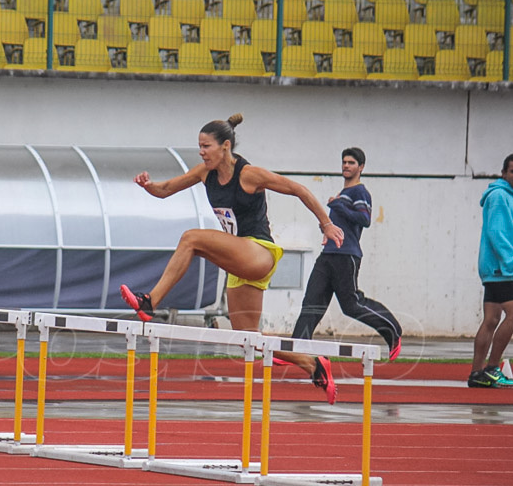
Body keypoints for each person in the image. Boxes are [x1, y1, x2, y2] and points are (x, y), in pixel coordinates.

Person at [120, 113, 346, 404]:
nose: (201, 152)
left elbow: (297, 189)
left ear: (225, 146)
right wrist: (148, 185)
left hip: (259, 252)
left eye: (206, 147)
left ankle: (150, 301)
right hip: (240, 261)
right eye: (199, 147)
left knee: (191, 238)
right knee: (249, 338)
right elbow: (166, 190)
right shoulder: (204, 172)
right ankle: (313, 365)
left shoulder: (249, 174)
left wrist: (326, 224)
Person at [290, 148, 403, 361]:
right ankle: (295, 351)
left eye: (351, 162)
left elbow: (364, 219)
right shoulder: (342, 194)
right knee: (311, 304)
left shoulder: (359, 192)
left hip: (346, 256)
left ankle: (392, 331)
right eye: (344, 162)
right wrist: (325, 228)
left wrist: (337, 205)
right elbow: (340, 224)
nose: (346, 166)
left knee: (351, 305)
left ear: (361, 167)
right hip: (328, 255)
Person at [469, 153, 513, 387]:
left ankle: (477, 375)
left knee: (492, 319)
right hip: (500, 268)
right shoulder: (500, 196)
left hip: (495, 268)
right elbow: (496, 233)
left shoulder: (506, 196)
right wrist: (512, 264)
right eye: (512, 171)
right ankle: (493, 368)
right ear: (503, 173)